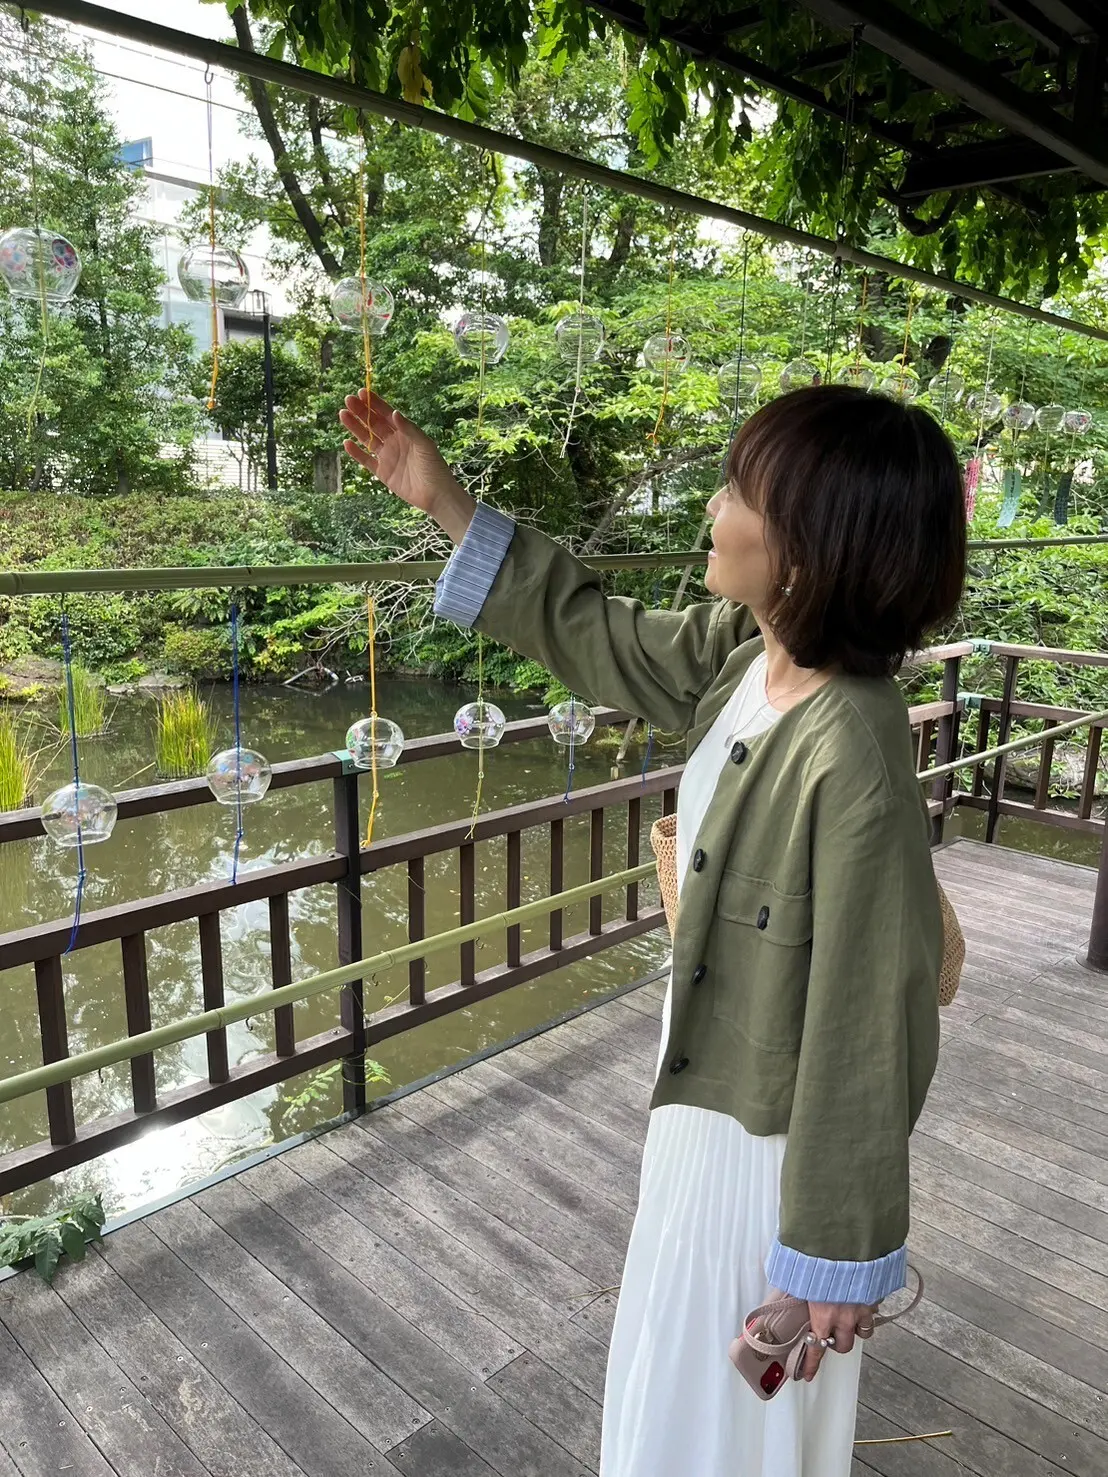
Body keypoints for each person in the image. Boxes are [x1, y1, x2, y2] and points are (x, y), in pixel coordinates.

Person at [339, 383, 966, 1477]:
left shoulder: (849, 748)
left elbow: (871, 1025)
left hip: (768, 1151)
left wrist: (826, 1256)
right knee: (675, 1383)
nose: (712, 509)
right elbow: (599, 635)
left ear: (808, 547)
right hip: (704, 1102)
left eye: (737, 493)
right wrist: (443, 501)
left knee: (719, 1419)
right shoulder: (750, 652)